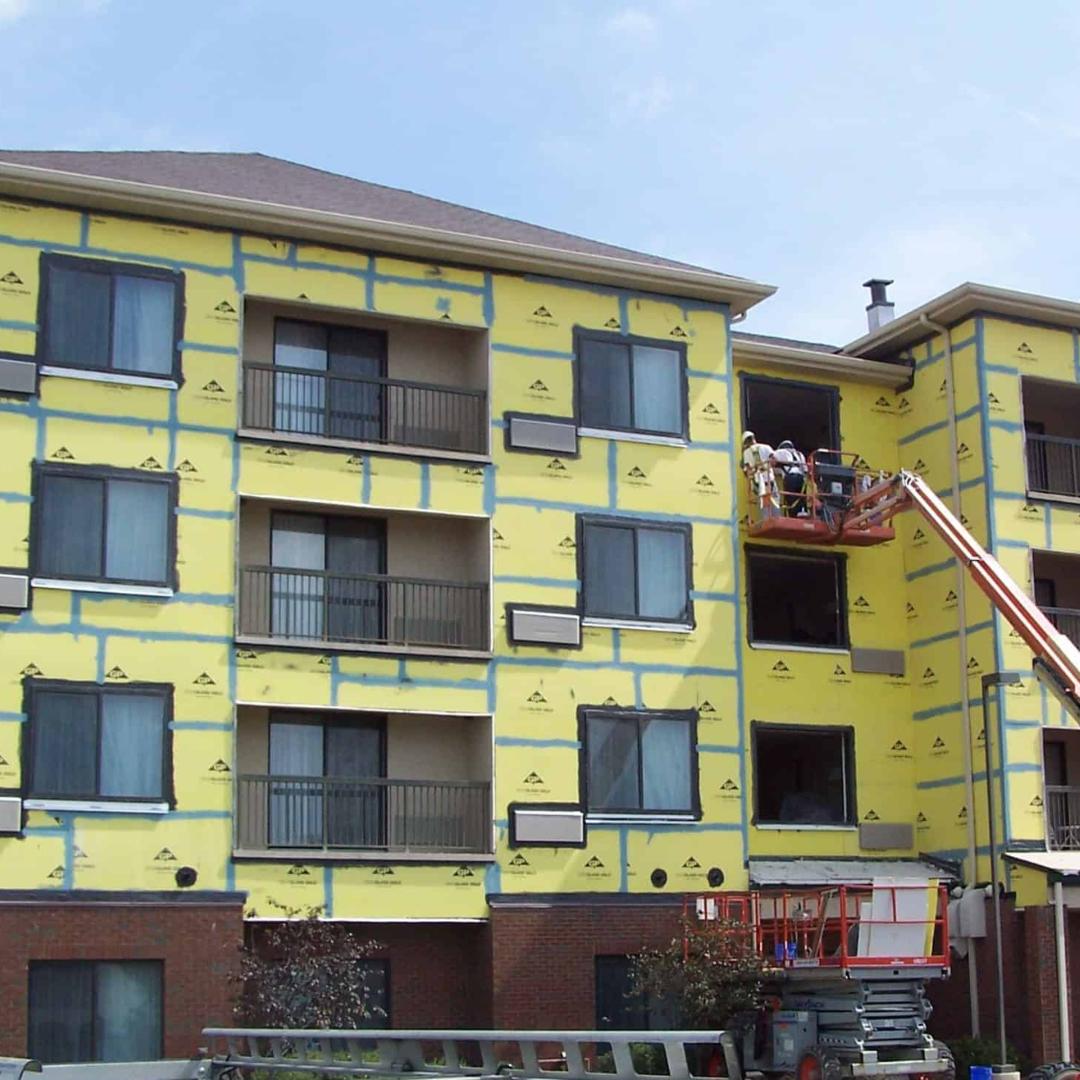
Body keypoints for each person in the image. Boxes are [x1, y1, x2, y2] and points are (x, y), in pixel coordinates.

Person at [741, 431, 778, 519]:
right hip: (770, 480)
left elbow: (747, 471)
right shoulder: (766, 447)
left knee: (764, 505)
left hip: (759, 483)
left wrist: (754, 471)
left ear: (745, 442)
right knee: (775, 502)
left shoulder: (746, 452)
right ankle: (777, 520)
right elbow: (774, 461)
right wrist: (766, 467)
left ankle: (767, 521)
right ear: (754, 438)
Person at [772, 439, 807, 516]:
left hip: (791, 478)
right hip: (802, 479)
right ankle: (802, 512)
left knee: (790, 499)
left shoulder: (781, 452)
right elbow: (805, 470)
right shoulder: (800, 454)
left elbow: (770, 458)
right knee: (801, 498)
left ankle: (792, 515)